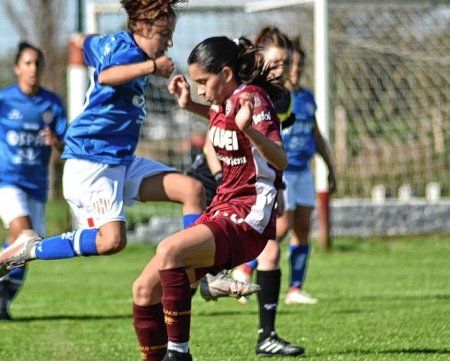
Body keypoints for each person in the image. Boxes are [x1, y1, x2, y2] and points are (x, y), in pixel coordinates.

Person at [0, 0, 212, 289]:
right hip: (91, 161)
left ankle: (196, 275)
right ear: (143, 28)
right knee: (112, 241)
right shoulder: (127, 53)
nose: (169, 41)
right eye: (164, 34)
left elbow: (80, 43)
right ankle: (31, 248)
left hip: (119, 160)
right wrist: (151, 66)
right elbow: (107, 76)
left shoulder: (111, 43)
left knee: (191, 190)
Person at [131, 36, 288, 361]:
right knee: (145, 290)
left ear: (227, 75)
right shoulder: (224, 101)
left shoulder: (254, 100)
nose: (201, 88)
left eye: (203, 81)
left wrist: (251, 132)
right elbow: (221, 117)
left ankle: (179, 354)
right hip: (221, 210)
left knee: (169, 250)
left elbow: (281, 159)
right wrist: (189, 105)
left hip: (248, 218)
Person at [199, 27, 306, 357]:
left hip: (255, 186)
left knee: (270, 253)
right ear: (260, 56)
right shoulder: (244, 95)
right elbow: (210, 144)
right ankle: (165, 324)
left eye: (287, 61)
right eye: (277, 59)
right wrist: (226, 184)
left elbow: (272, 153)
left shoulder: (279, 98)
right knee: (189, 265)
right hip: (226, 186)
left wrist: (276, 187)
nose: (283, 67)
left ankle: (266, 335)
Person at [0, 42, 67, 320]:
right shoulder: (2, 99)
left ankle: (2, 297)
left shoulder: (52, 103)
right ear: (17, 68)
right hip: (5, 180)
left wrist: (56, 142)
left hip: (37, 184)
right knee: (24, 232)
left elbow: (65, 145)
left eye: (37, 63)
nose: (33, 68)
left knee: (28, 244)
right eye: (27, 63)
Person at [236, 34, 337, 306]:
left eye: (296, 64)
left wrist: (329, 167)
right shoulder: (273, 97)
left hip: (303, 171)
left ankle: (295, 288)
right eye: (288, 64)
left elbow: (316, 134)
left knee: (302, 228)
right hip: (283, 170)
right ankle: (244, 270)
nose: (293, 69)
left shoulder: (305, 98)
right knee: (279, 229)